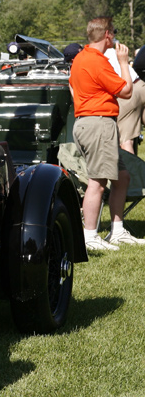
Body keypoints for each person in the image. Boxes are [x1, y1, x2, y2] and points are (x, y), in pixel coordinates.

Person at [70, 16, 143, 249]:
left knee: (122, 178)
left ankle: (117, 231)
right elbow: (126, 90)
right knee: (98, 182)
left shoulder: (81, 58)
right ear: (108, 35)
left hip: (91, 123)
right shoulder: (96, 61)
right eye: (114, 31)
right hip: (98, 124)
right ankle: (89, 235)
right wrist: (124, 62)